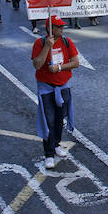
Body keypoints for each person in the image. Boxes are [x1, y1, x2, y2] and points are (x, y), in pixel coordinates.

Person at [31, 16, 79, 169]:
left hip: (63, 85)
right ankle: (49, 153)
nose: (62, 29)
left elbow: (76, 62)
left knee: (60, 118)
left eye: (62, 26)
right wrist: (47, 47)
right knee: (49, 120)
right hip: (46, 87)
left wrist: (59, 68)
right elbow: (37, 65)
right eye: (58, 26)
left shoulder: (67, 42)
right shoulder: (39, 43)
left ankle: (56, 144)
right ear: (50, 29)